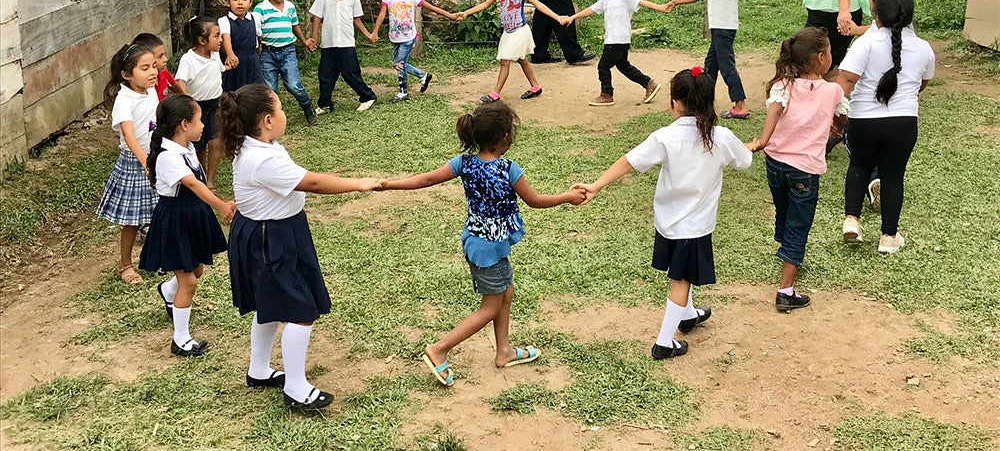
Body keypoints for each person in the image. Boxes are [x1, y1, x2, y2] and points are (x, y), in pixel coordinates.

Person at [378, 101, 586, 386]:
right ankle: (439, 349)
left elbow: (426, 179)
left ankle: (504, 351)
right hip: (490, 248)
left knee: (506, 290)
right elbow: (535, 201)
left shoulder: (463, 163)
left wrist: (390, 183)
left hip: (476, 241)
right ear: (504, 138)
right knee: (490, 307)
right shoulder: (509, 169)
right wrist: (568, 196)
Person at [218, 84, 382, 410]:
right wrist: (359, 184)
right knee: (300, 310)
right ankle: (295, 388)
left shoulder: (257, 145)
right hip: (270, 237)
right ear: (266, 120)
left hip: (279, 230)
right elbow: (314, 182)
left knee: (270, 307)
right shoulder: (261, 158)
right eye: (279, 109)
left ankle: (258, 370)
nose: (283, 115)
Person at [574, 68, 753, 359]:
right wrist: (750, 146)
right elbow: (743, 162)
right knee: (681, 280)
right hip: (694, 227)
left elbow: (629, 161)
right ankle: (664, 342)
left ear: (674, 103)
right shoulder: (721, 137)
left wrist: (596, 186)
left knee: (684, 272)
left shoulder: (665, 136)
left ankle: (688, 314)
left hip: (668, 222)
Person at [746, 28, 849, 311]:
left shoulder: (783, 84)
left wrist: (762, 141)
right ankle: (786, 289)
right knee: (799, 224)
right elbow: (842, 117)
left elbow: (775, 111)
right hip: (804, 170)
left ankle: (787, 251)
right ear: (820, 58)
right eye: (829, 52)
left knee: (784, 210)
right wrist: (837, 130)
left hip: (775, 163)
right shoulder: (833, 91)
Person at [837, 0, 934, 254]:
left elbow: (845, 80)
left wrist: (835, 113)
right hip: (903, 123)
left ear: (875, 15)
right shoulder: (924, 48)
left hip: (863, 120)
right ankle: (889, 237)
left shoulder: (865, 43)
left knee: (858, 166)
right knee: (893, 177)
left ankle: (852, 221)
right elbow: (921, 84)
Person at [139, 94, 236, 357]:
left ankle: (168, 290)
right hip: (175, 220)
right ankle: (180, 339)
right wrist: (221, 205)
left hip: (192, 216)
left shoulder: (187, 148)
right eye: (199, 120)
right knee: (189, 282)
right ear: (184, 124)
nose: (204, 125)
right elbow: (193, 184)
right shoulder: (169, 156)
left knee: (197, 269)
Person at [664, 0, 773, 118]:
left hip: (725, 29)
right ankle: (704, 101)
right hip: (717, 31)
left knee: (727, 67)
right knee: (710, 67)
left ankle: (740, 105)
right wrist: (675, 2)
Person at [841, 0, 909, 210]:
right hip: (901, 116)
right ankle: (880, 182)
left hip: (864, 114)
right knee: (887, 155)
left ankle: (863, 198)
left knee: (858, 154)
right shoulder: (908, 38)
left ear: (874, 3)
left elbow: (846, 81)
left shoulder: (868, 42)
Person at [458, 0, 568, 103]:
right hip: (508, 32)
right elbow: (485, 4)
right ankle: (535, 86)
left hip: (519, 31)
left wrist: (557, 17)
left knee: (505, 61)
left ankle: (495, 93)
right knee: (522, 60)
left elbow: (538, 5)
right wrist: (466, 13)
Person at [96, 43, 160, 284]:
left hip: (155, 160)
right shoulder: (124, 99)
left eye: (153, 66)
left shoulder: (151, 91)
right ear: (126, 74)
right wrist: (145, 160)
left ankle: (158, 258)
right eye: (144, 68)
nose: (152, 72)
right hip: (135, 165)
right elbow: (129, 134)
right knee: (132, 221)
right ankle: (126, 265)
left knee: (160, 212)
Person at [565, 0, 667, 107]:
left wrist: (661, 7)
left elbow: (642, 2)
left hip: (618, 39)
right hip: (612, 39)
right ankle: (649, 83)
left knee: (603, 66)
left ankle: (607, 95)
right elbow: (591, 9)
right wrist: (573, 17)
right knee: (624, 66)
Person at [372, 0, 459, 101]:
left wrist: (450, 16)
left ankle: (403, 92)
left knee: (398, 64)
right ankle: (423, 75)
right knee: (398, 63)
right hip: (395, 38)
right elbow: (381, 15)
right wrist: (375, 31)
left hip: (409, 38)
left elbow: (432, 7)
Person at [308, 0, 378, 113]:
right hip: (328, 44)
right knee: (325, 76)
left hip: (346, 44)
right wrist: (314, 38)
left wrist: (368, 35)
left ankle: (368, 96)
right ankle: (325, 104)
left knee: (351, 74)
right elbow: (317, 18)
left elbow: (356, 19)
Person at [253, 0, 318, 125]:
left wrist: (304, 42)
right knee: (270, 89)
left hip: (288, 51)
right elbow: (256, 31)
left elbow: (295, 26)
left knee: (294, 85)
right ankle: (272, 118)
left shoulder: (289, 6)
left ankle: (308, 107)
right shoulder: (260, 8)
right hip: (268, 54)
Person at [175, 17, 227, 190]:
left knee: (216, 142)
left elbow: (219, 70)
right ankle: (202, 174)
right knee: (199, 145)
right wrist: (187, 97)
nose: (221, 40)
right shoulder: (188, 59)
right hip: (196, 107)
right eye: (217, 36)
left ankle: (210, 179)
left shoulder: (215, 54)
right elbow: (180, 81)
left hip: (215, 105)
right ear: (202, 40)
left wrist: (229, 66)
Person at [219, 0, 264, 92]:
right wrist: (230, 54)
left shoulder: (255, 17)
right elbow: (226, 37)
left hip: (252, 60)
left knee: (256, 91)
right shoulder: (224, 20)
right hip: (235, 61)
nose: (240, 3)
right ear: (227, 2)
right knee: (234, 92)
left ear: (251, 2)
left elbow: (259, 35)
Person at [132, 32, 185, 101]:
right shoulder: (143, 85)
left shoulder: (164, 73)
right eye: (160, 56)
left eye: (164, 55)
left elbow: (175, 87)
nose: (166, 59)